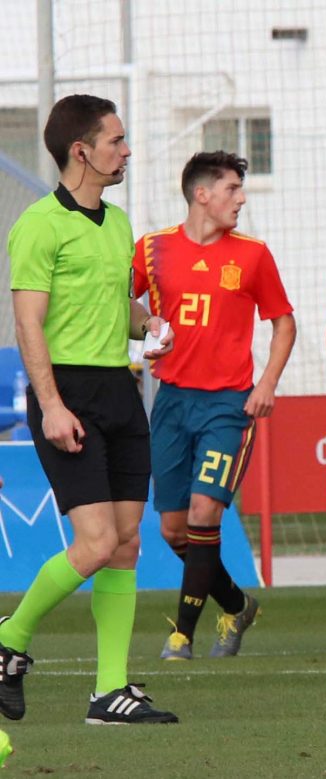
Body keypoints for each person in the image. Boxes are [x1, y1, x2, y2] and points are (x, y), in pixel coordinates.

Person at [1, 94, 177, 724]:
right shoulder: (39, 226)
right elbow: (30, 325)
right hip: (67, 394)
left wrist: (147, 324)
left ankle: (110, 692)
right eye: (116, 141)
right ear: (82, 151)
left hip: (120, 391)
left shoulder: (122, 222)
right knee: (96, 542)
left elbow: (117, 309)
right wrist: (49, 405)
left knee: (127, 543)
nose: (125, 151)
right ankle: (9, 638)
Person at [134, 151, 296, 660]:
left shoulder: (252, 254)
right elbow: (119, 298)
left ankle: (182, 635)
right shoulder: (153, 249)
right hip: (172, 402)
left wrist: (266, 383)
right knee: (173, 528)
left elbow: (284, 322)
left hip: (229, 405)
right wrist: (147, 328)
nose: (241, 198)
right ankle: (236, 605)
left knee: (206, 514)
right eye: (232, 189)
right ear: (201, 194)